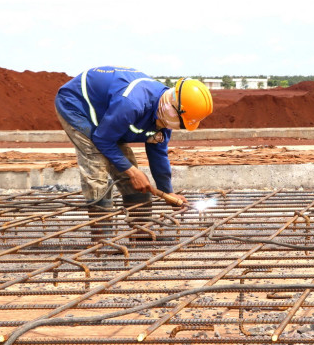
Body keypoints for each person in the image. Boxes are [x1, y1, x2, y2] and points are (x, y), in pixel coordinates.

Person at [55, 66, 213, 239]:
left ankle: (141, 232)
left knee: (130, 168)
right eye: (181, 123)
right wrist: (132, 172)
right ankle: (102, 239)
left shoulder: (166, 112)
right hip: (77, 105)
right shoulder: (132, 103)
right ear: (173, 109)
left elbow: (158, 153)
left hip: (109, 113)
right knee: (97, 164)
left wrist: (167, 191)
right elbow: (103, 139)